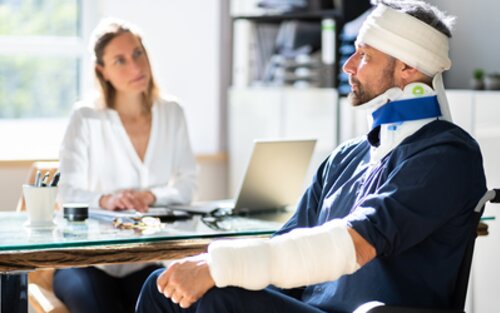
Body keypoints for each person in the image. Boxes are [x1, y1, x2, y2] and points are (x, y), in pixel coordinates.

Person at [135, 0, 488, 312]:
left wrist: (220, 267)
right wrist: (211, 270)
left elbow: (354, 244)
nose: (348, 65)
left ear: (409, 69)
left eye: (364, 55)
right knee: (164, 286)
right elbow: (287, 249)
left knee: (216, 296)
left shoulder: (447, 156)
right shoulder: (345, 158)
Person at [54, 18, 197, 313]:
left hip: (143, 259)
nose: (135, 66)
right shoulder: (86, 118)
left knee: (176, 303)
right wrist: (108, 200)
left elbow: (187, 186)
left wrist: (150, 196)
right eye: (120, 60)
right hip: (87, 262)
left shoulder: (172, 113)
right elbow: (66, 192)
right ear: (101, 71)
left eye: (138, 53)